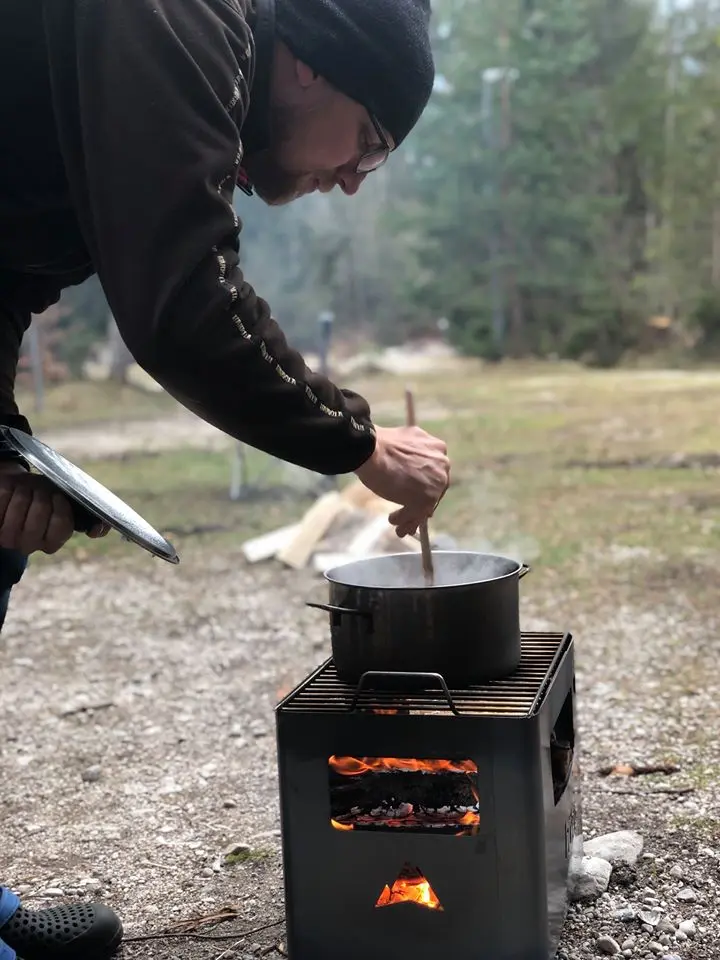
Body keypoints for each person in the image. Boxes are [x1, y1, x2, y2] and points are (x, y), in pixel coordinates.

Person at [0, 0, 449, 956]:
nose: (355, 181)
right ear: (313, 67)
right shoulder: (176, 16)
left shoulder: (194, 80)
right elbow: (185, 299)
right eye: (368, 142)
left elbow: (8, 265)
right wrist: (361, 445)